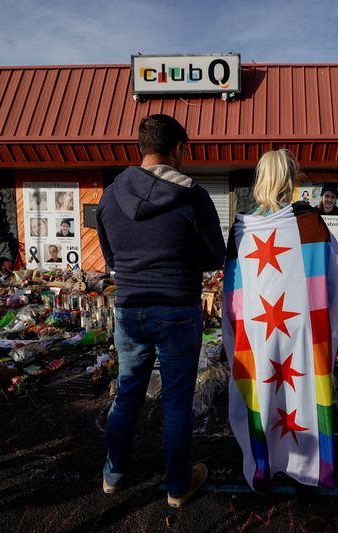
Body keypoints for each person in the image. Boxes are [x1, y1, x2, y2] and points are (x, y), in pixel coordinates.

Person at [96, 114, 225, 507]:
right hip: (176, 309)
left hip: (130, 308)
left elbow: (111, 257)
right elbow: (215, 255)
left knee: (128, 393)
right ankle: (177, 486)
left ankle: (113, 475)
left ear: (142, 148)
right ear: (179, 149)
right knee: (175, 401)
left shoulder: (110, 195)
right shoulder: (193, 196)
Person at [222, 149, 338, 494]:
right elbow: (331, 275)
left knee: (264, 391)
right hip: (303, 327)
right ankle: (304, 464)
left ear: (260, 179)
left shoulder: (241, 229)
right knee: (301, 389)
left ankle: (265, 465)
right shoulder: (309, 223)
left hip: (258, 328)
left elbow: (231, 292)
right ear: (291, 181)